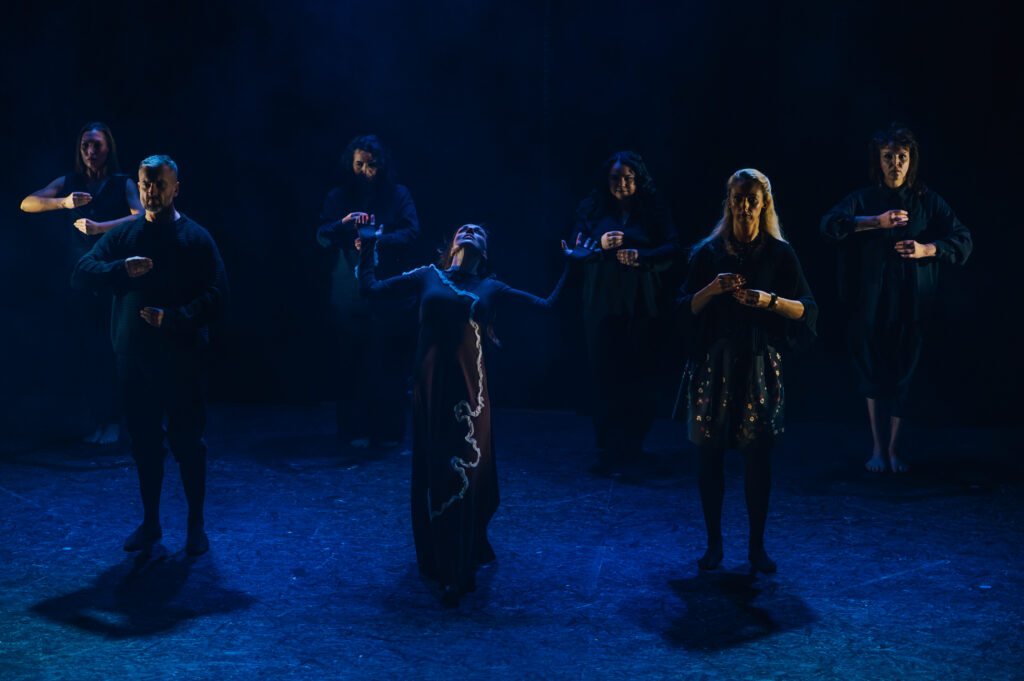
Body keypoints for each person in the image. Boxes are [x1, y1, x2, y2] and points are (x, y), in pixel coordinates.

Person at [359, 224, 577, 606]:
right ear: (454, 243)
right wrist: (368, 248)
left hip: (469, 399)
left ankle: (456, 572)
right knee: (436, 475)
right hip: (430, 393)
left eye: (479, 231)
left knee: (460, 477)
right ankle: (444, 559)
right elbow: (372, 290)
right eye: (465, 228)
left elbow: (547, 307)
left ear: (485, 251)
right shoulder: (427, 275)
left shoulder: (492, 288)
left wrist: (573, 265)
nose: (472, 230)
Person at [71, 155, 228, 556]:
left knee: (188, 444)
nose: (151, 191)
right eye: (145, 184)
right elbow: (82, 272)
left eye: (159, 184)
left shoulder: (195, 238)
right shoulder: (126, 235)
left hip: (183, 361)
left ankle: (195, 526)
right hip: (135, 362)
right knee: (144, 444)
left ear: (176, 188)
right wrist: (121, 269)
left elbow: (218, 295)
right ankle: (151, 523)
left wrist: (175, 319)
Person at [675, 168, 817, 574]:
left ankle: (757, 548)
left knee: (757, 459)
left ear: (763, 204)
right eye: (738, 198)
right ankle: (714, 546)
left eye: (751, 199)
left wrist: (770, 301)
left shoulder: (779, 254)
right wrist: (712, 289)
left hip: (758, 366)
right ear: (729, 202)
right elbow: (682, 310)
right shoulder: (708, 253)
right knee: (710, 457)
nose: (744, 206)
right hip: (715, 364)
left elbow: (808, 309)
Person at [820, 126, 972, 473]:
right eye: (888, 157)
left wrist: (927, 249)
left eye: (901, 157)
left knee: (906, 372)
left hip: (911, 303)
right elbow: (828, 225)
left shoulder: (926, 199)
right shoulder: (863, 198)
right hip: (870, 303)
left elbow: (963, 238)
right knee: (872, 371)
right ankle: (877, 449)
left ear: (910, 160)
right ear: (878, 160)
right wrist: (875, 222)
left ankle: (893, 449)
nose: (895, 164)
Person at [20, 122, 143, 444]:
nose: (90, 151)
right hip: (81, 277)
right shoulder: (70, 182)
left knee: (113, 349)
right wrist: (63, 203)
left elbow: (141, 216)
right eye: (86, 145)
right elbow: (27, 202)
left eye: (97, 145)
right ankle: (100, 419)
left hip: (112, 276)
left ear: (108, 148)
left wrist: (101, 227)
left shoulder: (122, 182)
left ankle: (115, 420)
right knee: (88, 349)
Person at [571, 151, 680, 472]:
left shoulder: (653, 208)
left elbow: (673, 248)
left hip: (641, 300)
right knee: (605, 372)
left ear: (638, 179)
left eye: (628, 178)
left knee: (639, 370)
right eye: (615, 178)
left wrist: (642, 256)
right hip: (602, 300)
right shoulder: (592, 208)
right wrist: (600, 242)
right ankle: (608, 446)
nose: (621, 184)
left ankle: (634, 444)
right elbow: (575, 247)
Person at [315, 134, 420, 449]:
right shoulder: (338, 197)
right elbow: (321, 235)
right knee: (351, 360)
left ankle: (388, 432)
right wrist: (343, 225)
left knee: (389, 363)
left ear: (382, 165)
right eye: (359, 164)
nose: (365, 171)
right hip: (350, 294)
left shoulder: (398, 195)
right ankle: (353, 430)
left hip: (388, 291)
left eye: (371, 165)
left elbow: (412, 232)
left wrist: (377, 241)